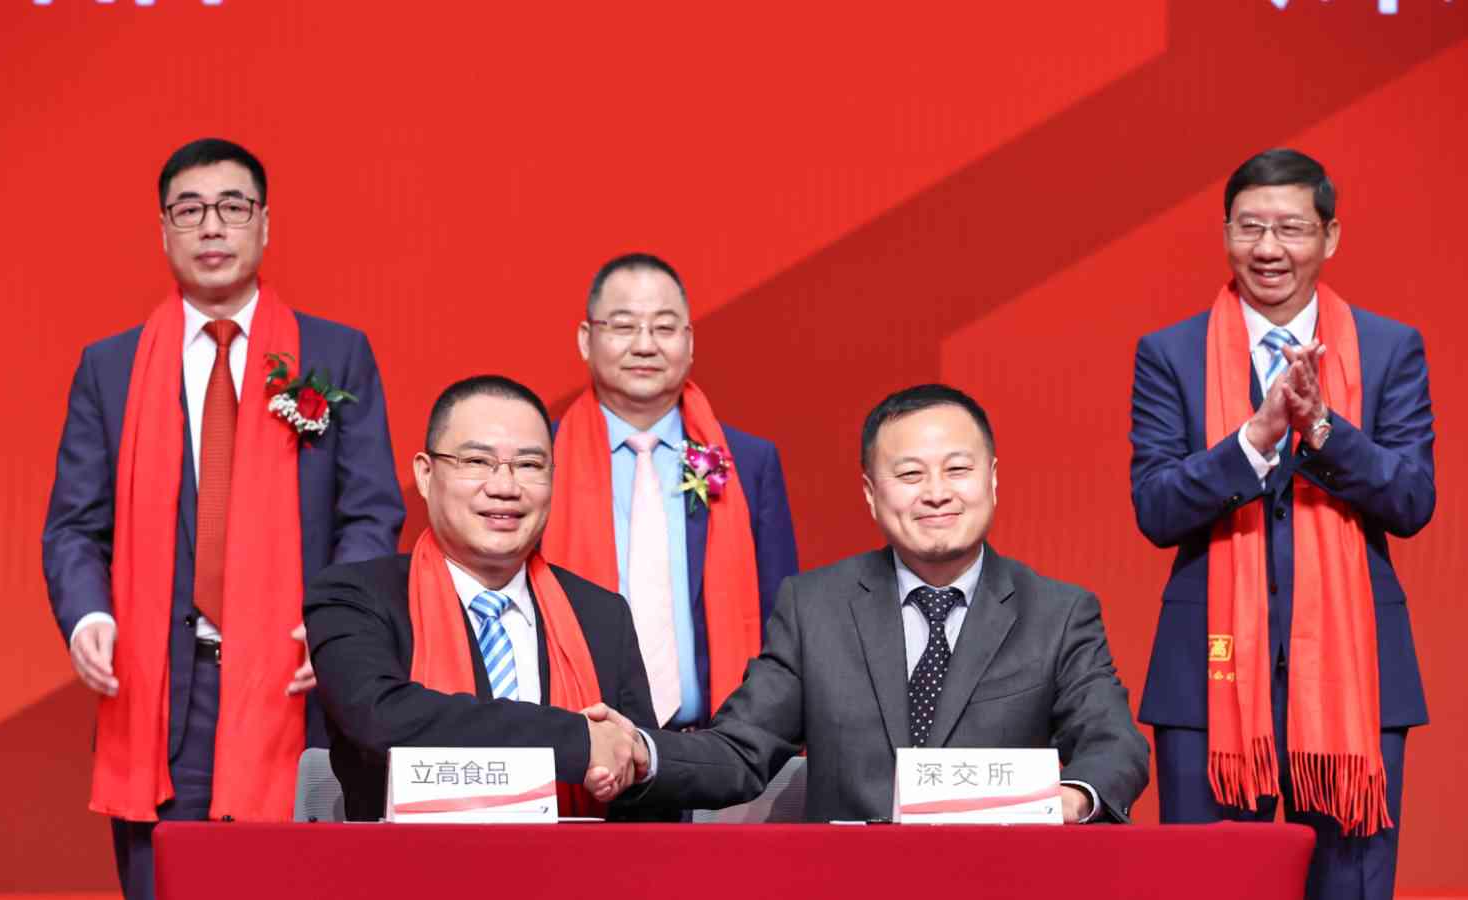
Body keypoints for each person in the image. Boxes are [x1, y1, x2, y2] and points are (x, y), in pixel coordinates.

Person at [41, 138, 404, 900]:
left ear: (264, 224)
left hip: (296, 693)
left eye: (232, 207)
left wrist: (336, 626)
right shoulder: (109, 368)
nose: (211, 226)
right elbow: (74, 526)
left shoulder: (334, 355)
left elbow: (371, 513)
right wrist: (88, 617)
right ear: (163, 231)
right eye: (189, 210)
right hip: (158, 699)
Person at [589, 384, 1149, 822]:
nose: (936, 493)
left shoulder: (1058, 614)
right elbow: (740, 749)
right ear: (871, 494)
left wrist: (1074, 797)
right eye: (910, 474)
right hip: (847, 881)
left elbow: (1114, 743)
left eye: (958, 469)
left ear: (993, 480)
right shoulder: (815, 608)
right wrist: (642, 750)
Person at [1130, 148, 1433, 900]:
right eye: (1249, 227)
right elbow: (1157, 508)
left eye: (1291, 228)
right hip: (1208, 678)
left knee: (1349, 887)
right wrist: (1252, 441)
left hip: (1352, 677)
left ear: (1329, 236)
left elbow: (1410, 500)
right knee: (1206, 888)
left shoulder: (1389, 349)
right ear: (1225, 233)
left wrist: (1323, 430)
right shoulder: (1169, 353)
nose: (1268, 248)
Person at [305, 375, 663, 821]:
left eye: (529, 465)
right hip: (402, 864)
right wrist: (578, 740)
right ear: (425, 474)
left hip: (577, 864)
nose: (505, 487)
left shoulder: (601, 615)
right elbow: (385, 719)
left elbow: (645, 783)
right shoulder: (354, 598)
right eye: (476, 461)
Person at [543, 253, 798, 731]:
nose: (645, 345)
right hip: (580, 741)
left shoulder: (748, 461)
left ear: (689, 341)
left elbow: (781, 625)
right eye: (623, 326)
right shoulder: (540, 459)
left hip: (716, 748)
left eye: (663, 327)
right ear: (585, 339)